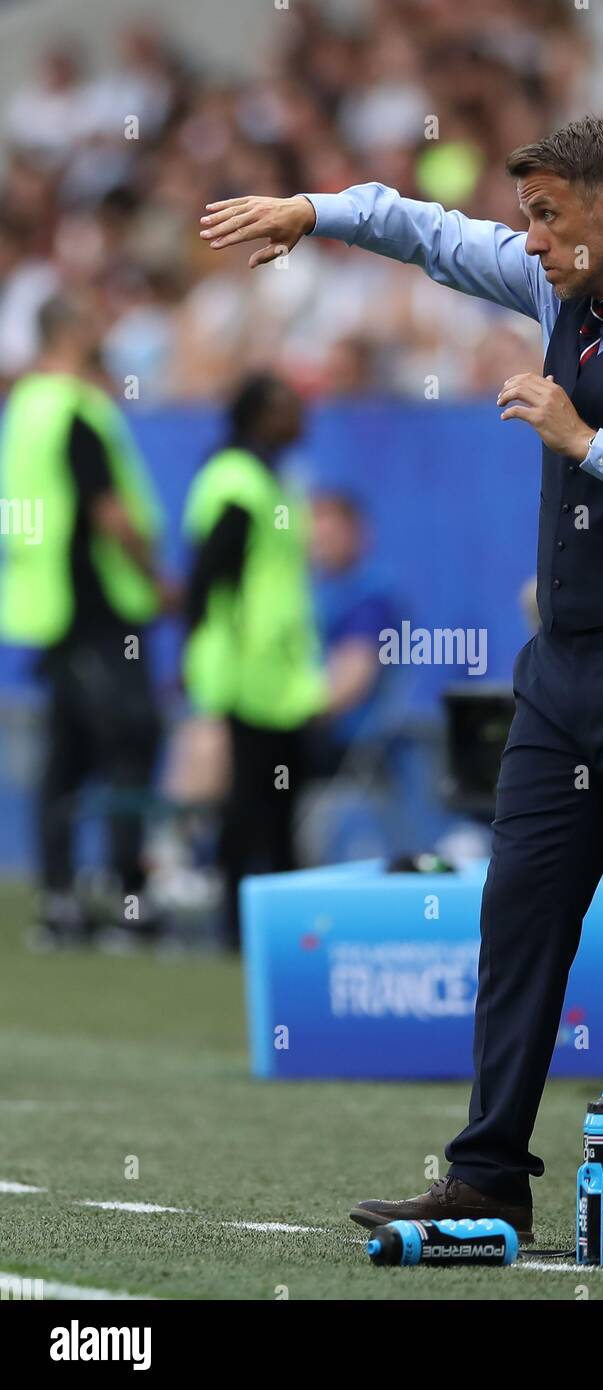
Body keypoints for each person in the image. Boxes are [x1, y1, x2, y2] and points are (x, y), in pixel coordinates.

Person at [200, 115, 603, 1242]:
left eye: (546, 215)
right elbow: (425, 232)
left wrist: (584, 441)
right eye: (527, 218)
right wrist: (314, 212)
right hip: (560, 673)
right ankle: (487, 1171)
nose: (530, 239)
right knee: (518, 915)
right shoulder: (559, 287)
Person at [0, 292, 169, 945]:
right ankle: (130, 899)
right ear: (71, 331)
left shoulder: (25, 408)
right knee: (129, 742)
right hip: (99, 606)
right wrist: (157, 579)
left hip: (49, 609)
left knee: (64, 757)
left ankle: (59, 900)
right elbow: (109, 510)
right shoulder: (76, 406)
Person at [182, 372, 328, 949]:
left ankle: (280, 924)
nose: (301, 417)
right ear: (259, 416)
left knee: (281, 800)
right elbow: (207, 578)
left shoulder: (271, 477)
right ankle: (235, 925)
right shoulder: (237, 479)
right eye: (288, 408)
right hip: (247, 669)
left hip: (279, 674)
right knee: (248, 803)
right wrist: (205, 656)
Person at [308, 490, 398, 773]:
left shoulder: (368, 600)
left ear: (357, 534)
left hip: (342, 740)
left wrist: (281, 715)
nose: (320, 546)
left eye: (330, 537)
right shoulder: (306, 593)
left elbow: (347, 686)